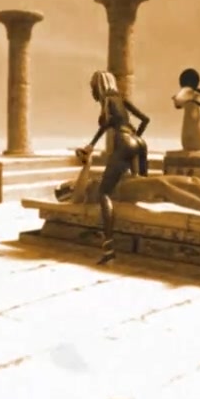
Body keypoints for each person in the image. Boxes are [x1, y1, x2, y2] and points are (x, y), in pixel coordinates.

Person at [55, 151, 200, 263]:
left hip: (129, 182)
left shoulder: (88, 181)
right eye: (68, 185)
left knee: (192, 182)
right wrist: (86, 164)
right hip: (122, 191)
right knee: (162, 186)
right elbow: (76, 197)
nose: (70, 183)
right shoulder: (82, 192)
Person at [78, 70, 153, 264]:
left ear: (99, 86)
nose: (92, 92)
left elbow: (106, 123)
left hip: (124, 143)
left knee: (104, 193)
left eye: (93, 87)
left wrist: (91, 145)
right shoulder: (120, 99)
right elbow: (145, 119)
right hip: (139, 143)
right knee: (145, 188)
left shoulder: (106, 100)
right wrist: (92, 144)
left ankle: (109, 248)